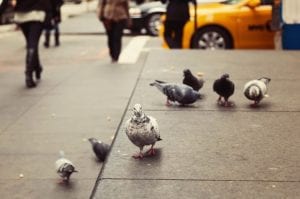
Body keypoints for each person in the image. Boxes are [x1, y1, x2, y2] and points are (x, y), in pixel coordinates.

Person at [0, 0, 52, 88]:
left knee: (31, 43)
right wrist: (52, 14)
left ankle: (37, 68)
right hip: (37, 14)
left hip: (22, 15)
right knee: (33, 44)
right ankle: (29, 74)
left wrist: (1, 10)